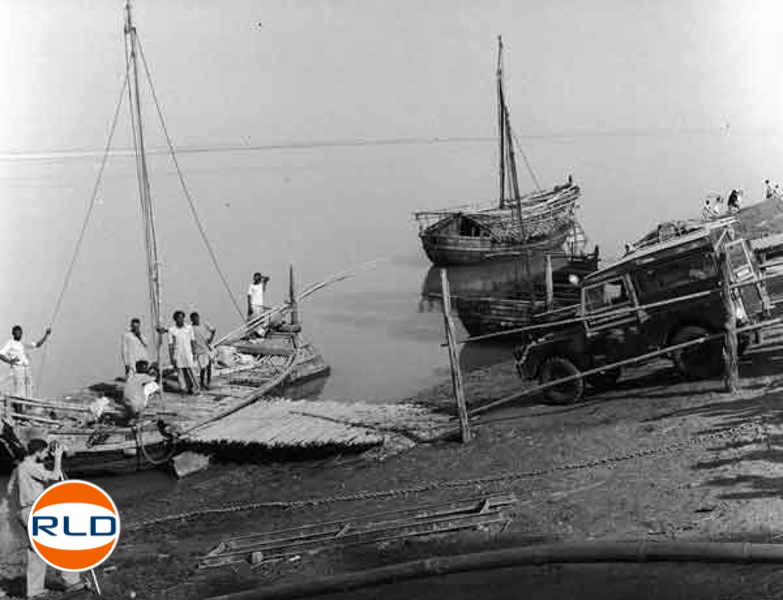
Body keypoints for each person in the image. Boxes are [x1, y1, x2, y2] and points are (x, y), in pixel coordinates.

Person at [7, 439, 85, 597]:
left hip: (24, 511)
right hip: (35, 511)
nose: (45, 456)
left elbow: (10, 490)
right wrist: (58, 458)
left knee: (36, 552)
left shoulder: (19, 468)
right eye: (43, 453)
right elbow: (55, 477)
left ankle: (34, 591)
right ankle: (71, 581)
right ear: (37, 452)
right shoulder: (30, 467)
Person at [0, 326, 50, 399]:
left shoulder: (23, 343)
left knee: (29, 387)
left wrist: (46, 335)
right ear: (13, 334)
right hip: (18, 367)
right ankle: (19, 406)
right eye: (16, 332)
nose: (18, 334)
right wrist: (10, 361)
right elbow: (1, 354)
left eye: (20, 332)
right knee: (20, 389)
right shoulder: (10, 343)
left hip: (26, 368)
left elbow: (37, 345)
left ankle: (28, 405)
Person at [166, 311, 199, 394]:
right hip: (178, 354)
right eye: (178, 318)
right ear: (175, 319)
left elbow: (193, 341)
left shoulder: (189, 328)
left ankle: (195, 388)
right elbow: (170, 345)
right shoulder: (171, 330)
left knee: (191, 371)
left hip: (188, 353)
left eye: (182, 318)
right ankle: (183, 389)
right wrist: (171, 357)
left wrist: (194, 353)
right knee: (180, 373)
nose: (181, 320)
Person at [190, 312, 216, 390]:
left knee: (209, 367)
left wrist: (211, 336)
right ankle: (201, 382)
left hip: (207, 349)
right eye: (194, 318)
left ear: (198, 317)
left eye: (197, 318)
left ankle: (208, 382)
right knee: (203, 368)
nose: (196, 320)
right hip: (199, 351)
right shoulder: (190, 328)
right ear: (191, 320)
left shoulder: (204, 325)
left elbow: (213, 331)